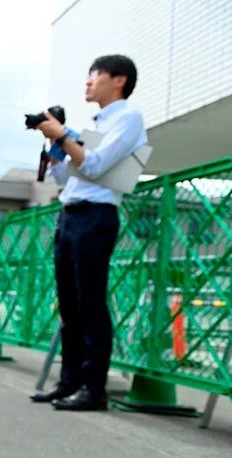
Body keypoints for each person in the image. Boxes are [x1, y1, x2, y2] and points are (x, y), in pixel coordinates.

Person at [30, 54, 146, 412]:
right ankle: (69, 383)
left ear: (119, 80)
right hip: (71, 215)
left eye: (94, 75)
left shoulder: (128, 118)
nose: (87, 82)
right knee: (70, 305)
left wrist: (62, 135)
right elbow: (68, 179)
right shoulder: (98, 123)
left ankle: (94, 389)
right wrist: (56, 149)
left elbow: (95, 166)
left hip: (96, 217)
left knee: (91, 303)